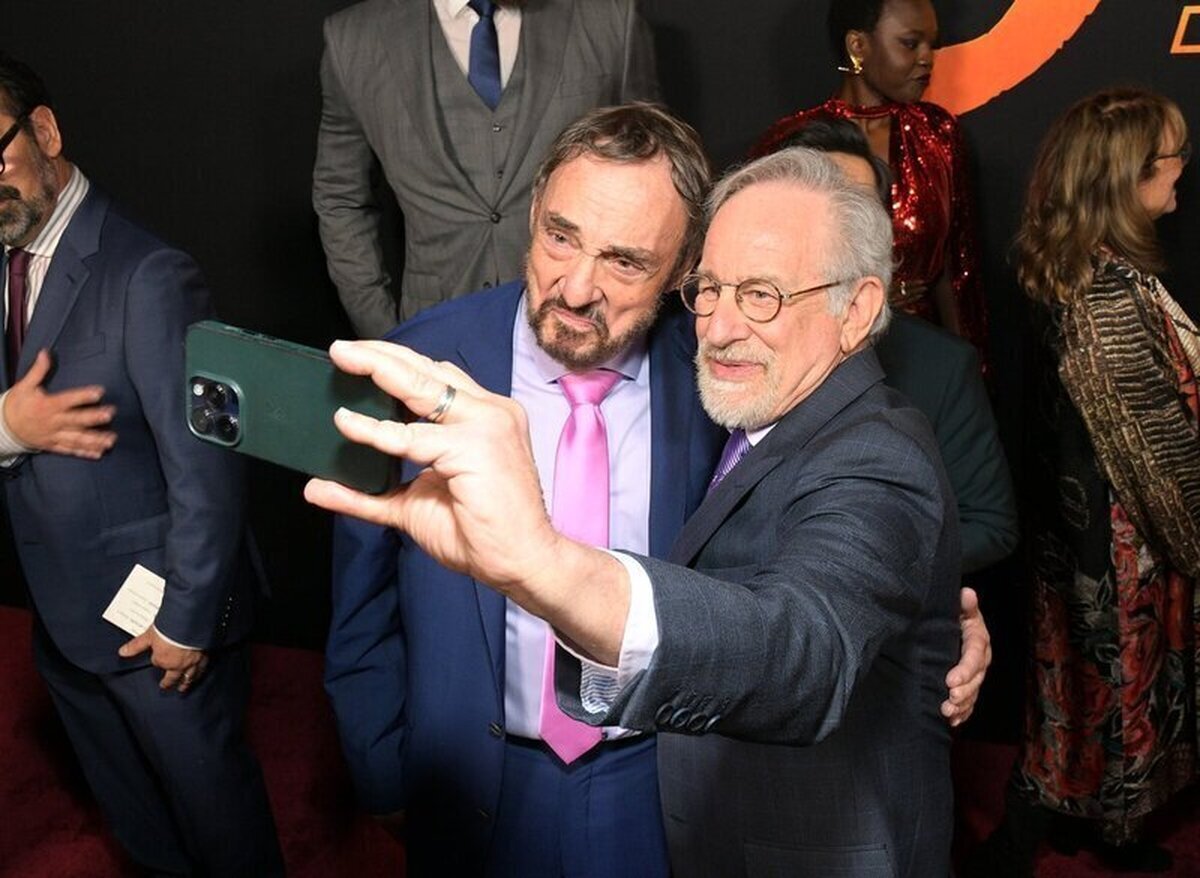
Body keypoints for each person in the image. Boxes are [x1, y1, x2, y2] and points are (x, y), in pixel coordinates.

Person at [311, 145, 964, 877]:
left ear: (860, 310)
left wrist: (542, 562)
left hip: (697, 808)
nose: (718, 326)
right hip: (503, 784)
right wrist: (927, 625)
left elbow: (806, 645)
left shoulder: (874, 452)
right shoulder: (749, 406)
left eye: (762, 295)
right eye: (713, 290)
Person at [324, 103, 721, 876]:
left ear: (683, 266)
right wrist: (380, 772)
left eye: (625, 262)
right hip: (468, 777)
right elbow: (360, 600)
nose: (575, 288)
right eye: (560, 236)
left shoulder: (713, 386)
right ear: (534, 212)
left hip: (652, 778)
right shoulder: (420, 363)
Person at [0, 54, 283, 876]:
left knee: (222, 832)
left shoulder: (149, 274)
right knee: (141, 830)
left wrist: (186, 624)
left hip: (160, 638)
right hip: (59, 624)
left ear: (45, 131)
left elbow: (208, 470)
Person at [971, 89, 1200, 877]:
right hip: (1118, 544)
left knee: (1076, 679)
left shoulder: (1073, 268)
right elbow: (1160, 457)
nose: (1183, 173)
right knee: (1114, 681)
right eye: (1173, 159)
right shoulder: (1105, 297)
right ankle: (1087, 824)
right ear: (1126, 178)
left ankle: (1073, 813)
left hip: (1077, 540)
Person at [313, 0, 659, 338]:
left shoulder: (611, 16)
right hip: (432, 338)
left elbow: (658, 183)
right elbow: (340, 197)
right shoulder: (355, 37)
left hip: (583, 331)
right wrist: (383, 330)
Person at [765, 116, 1017, 574]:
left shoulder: (939, 366)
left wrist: (862, 570)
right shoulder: (721, 345)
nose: (850, 228)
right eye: (828, 205)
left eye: (865, 208)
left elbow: (989, 524)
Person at [752, 0, 988, 361]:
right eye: (910, 43)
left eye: (932, 45)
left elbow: (956, 269)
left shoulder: (937, 133)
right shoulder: (791, 143)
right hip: (823, 358)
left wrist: (971, 367)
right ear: (858, 46)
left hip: (921, 355)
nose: (927, 58)